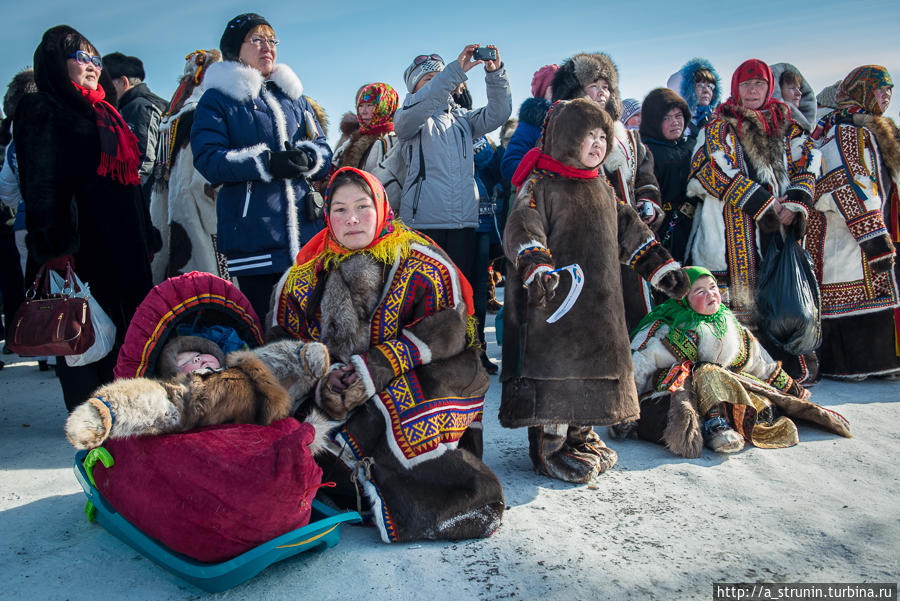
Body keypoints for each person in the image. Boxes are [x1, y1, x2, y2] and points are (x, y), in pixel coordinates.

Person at [269, 166, 503, 543]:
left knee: (414, 400)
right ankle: (349, 483)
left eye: (362, 206)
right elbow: (284, 343)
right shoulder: (304, 276)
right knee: (290, 424)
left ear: (381, 207)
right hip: (335, 390)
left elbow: (447, 333)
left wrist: (373, 370)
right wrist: (324, 381)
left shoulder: (423, 263)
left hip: (410, 375)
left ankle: (445, 494)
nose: (353, 219)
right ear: (327, 215)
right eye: (340, 210)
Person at [500, 98, 689, 484]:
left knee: (594, 371)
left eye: (604, 136)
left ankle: (581, 435)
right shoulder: (541, 184)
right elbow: (523, 227)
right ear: (567, 138)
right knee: (558, 374)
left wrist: (660, 267)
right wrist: (536, 265)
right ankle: (549, 446)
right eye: (589, 136)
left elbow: (631, 230)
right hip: (555, 306)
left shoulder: (602, 187)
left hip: (599, 306)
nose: (598, 144)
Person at [14, 25, 157, 410]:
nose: (93, 66)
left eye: (96, 58)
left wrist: (147, 235)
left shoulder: (106, 112)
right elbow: (41, 185)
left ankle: (125, 420)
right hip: (82, 253)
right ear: (57, 64)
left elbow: (128, 182)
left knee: (127, 345)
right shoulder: (43, 107)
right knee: (84, 346)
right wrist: (55, 248)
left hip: (124, 251)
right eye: (82, 57)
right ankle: (93, 428)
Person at [686, 59, 821, 384]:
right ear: (735, 88)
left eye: (758, 84)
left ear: (768, 87)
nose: (752, 91)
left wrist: (796, 201)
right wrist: (762, 202)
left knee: (779, 298)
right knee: (735, 305)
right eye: (745, 85)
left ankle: (785, 370)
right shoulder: (718, 126)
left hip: (777, 236)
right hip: (727, 235)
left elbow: (810, 161)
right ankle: (735, 369)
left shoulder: (788, 127)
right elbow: (706, 172)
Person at [621, 266, 851, 456]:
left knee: (757, 398)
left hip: (724, 390)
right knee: (705, 371)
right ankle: (713, 427)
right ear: (683, 300)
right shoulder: (671, 330)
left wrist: (794, 391)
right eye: (699, 291)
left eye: (712, 287)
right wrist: (624, 408)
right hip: (679, 391)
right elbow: (641, 364)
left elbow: (760, 364)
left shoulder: (731, 326)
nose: (710, 294)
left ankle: (736, 419)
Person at [191, 13, 332, 320]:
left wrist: (309, 158)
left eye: (271, 40)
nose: (267, 47)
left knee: (312, 324)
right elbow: (208, 159)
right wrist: (266, 163)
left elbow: (323, 147)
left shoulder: (295, 99)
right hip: (255, 237)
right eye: (256, 39)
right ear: (234, 50)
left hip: (307, 233)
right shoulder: (217, 99)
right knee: (267, 328)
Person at [550, 52, 665, 331]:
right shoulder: (564, 129)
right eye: (594, 86)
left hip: (631, 231)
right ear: (578, 89)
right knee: (598, 307)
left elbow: (644, 172)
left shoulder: (626, 135)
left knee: (636, 300)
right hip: (590, 233)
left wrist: (648, 202)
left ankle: (641, 363)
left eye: (606, 87)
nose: (601, 93)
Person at [806, 65, 899, 380]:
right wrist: (871, 234)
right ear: (860, 89)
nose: (886, 95)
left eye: (890, 90)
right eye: (879, 88)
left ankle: (877, 363)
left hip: (871, 227)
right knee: (854, 286)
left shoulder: (874, 128)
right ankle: (852, 365)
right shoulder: (843, 128)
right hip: (845, 234)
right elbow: (843, 182)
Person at [393, 45, 511, 286]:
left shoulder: (463, 119)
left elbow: (499, 113)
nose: (439, 83)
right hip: (422, 225)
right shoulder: (408, 118)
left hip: (463, 223)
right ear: (414, 86)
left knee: (460, 298)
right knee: (425, 298)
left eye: (440, 78)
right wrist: (453, 72)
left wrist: (495, 72)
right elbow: (417, 110)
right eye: (429, 79)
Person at [149, 49, 226, 283]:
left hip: (175, 216)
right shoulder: (204, 114)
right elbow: (205, 183)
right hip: (204, 221)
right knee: (211, 284)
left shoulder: (171, 117)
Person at [640, 87, 696, 264]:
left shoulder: (693, 145)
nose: (675, 123)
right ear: (654, 121)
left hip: (696, 223)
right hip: (663, 227)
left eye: (678, 116)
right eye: (666, 118)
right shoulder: (646, 152)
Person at [101, 52, 167, 187]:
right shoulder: (139, 104)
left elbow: (143, 162)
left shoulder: (139, 107)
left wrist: (128, 196)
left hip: (150, 196)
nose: (103, 90)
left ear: (124, 82)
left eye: (106, 85)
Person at [499, 64, 556, 183]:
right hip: (542, 196)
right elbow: (509, 166)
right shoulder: (531, 123)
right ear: (543, 90)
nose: (560, 89)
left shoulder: (574, 120)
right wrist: (547, 167)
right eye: (554, 85)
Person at [332, 82, 399, 176]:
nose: (363, 111)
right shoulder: (351, 140)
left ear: (384, 105)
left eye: (370, 105)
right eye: (360, 105)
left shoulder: (395, 141)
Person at [668, 58, 721, 135]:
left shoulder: (717, 122)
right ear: (682, 91)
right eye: (700, 85)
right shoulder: (668, 126)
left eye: (710, 86)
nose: (707, 90)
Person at [770, 63, 817, 133]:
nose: (799, 93)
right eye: (792, 88)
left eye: (799, 88)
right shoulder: (770, 127)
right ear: (779, 91)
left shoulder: (813, 130)